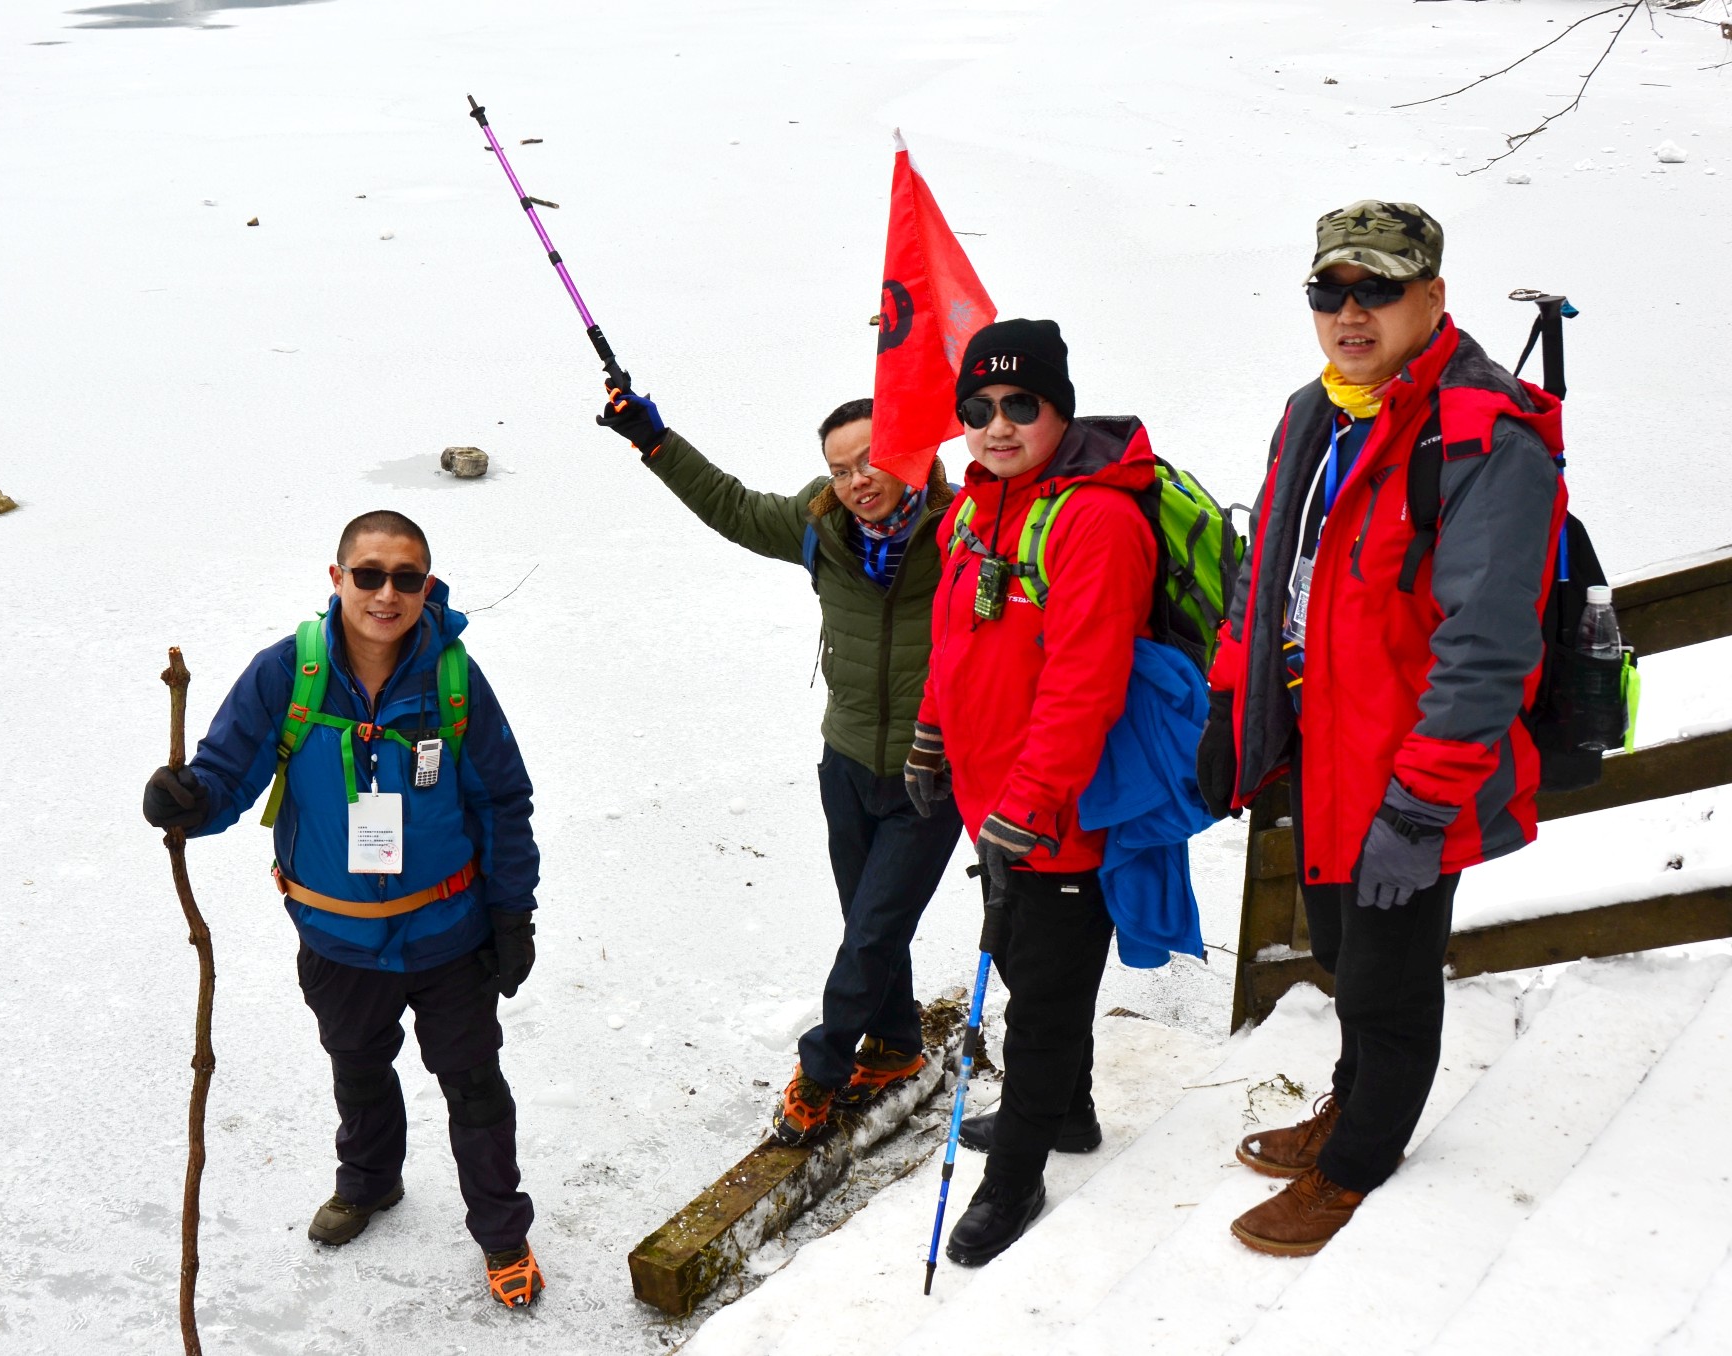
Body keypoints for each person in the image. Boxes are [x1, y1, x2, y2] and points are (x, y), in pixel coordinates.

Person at [1200, 201, 1564, 1256]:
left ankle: (1359, 1158)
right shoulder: (1313, 413)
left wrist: (1422, 799)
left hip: (1408, 769)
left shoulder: (1484, 438)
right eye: (1329, 290)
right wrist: (1232, 698)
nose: (1348, 312)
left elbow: (1487, 644)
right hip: (1320, 751)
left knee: (1388, 977)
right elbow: (1261, 576)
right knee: (1338, 949)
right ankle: (1349, 1102)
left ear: (1431, 296)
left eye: (1376, 289)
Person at [140, 510, 547, 1308]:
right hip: (335, 934)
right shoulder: (289, 673)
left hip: (449, 935)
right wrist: (186, 800)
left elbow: (503, 801)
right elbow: (229, 775)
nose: (385, 594)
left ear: (425, 587)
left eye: (405, 578)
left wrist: (513, 913)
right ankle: (369, 1182)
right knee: (357, 1070)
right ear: (337, 579)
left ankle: (502, 1233)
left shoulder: (454, 681)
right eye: (368, 574)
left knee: (474, 1088)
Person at [595, 386, 968, 1145]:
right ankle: (895, 1046)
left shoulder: (965, 529)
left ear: (912, 453)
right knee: (867, 915)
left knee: (871, 931)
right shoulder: (820, 526)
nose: (858, 479)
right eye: (840, 469)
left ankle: (823, 1067)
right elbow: (729, 505)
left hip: (934, 769)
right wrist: (654, 441)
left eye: (871, 459)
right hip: (846, 759)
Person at [909, 318, 1163, 1266]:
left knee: (1044, 1000)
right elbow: (954, 638)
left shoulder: (1097, 518)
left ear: (1060, 406)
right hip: (996, 801)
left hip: (1060, 812)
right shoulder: (974, 510)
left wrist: (1030, 799)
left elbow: (1085, 682)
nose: (997, 425)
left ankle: (1013, 1177)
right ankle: (1068, 1114)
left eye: (1023, 405)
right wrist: (934, 730)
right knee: (1025, 963)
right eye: (978, 408)